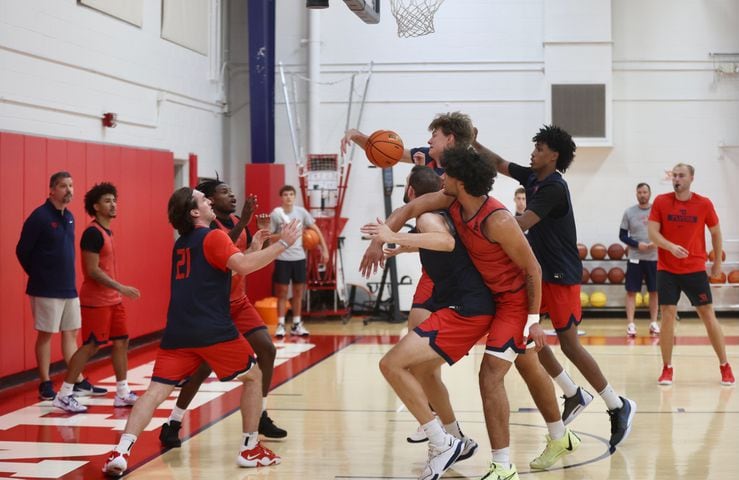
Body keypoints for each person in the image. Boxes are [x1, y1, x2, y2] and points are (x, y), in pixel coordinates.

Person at [361, 148, 581, 480]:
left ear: (460, 181)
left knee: (490, 375)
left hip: (514, 302)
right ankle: (559, 435)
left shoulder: (499, 219)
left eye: (446, 174)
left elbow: (532, 269)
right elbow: (409, 207)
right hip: (484, 299)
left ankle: (502, 465)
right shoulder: (451, 201)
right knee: (525, 366)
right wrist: (384, 243)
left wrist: (533, 321)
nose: (441, 177)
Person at [102, 188, 300, 476]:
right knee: (255, 377)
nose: (209, 200)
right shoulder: (214, 236)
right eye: (203, 199)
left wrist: (255, 247)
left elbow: (226, 271)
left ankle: (120, 452)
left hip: (178, 332)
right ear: (195, 212)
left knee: (155, 392)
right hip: (212, 329)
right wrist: (283, 244)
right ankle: (249, 448)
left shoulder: (182, 243)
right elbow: (242, 266)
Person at [474, 125, 636, 449]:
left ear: (554, 155)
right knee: (527, 335)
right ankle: (573, 392)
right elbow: (500, 163)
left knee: (571, 346)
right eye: (534, 146)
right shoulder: (533, 177)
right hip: (539, 273)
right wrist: (473, 143)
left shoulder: (553, 188)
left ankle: (617, 405)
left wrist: (480, 224)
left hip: (561, 274)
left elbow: (520, 224)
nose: (533, 152)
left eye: (540, 148)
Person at [159, 179, 287, 447]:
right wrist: (244, 224)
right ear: (208, 200)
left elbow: (251, 257)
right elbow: (219, 248)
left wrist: (263, 234)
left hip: (238, 301)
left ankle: (261, 413)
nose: (232, 196)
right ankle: (174, 420)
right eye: (224, 193)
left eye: (231, 192)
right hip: (213, 305)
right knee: (202, 368)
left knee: (267, 349)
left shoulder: (237, 220)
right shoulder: (207, 228)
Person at [16, 171, 106, 401]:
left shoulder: (70, 217)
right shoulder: (39, 217)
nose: (69, 190)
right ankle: (45, 383)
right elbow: (22, 251)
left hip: (68, 288)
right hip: (45, 289)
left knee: (71, 335)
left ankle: (77, 379)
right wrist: (39, 275)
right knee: (46, 335)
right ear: (52, 190)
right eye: (64, 186)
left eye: (71, 185)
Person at [52, 183, 141, 413]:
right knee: (91, 346)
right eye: (107, 201)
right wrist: (120, 287)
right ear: (96, 206)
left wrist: (118, 291)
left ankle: (122, 393)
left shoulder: (108, 231)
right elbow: (91, 271)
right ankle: (64, 394)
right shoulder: (92, 233)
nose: (113, 204)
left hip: (113, 300)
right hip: (96, 300)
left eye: (114, 200)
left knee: (122, 342)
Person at [647, 163, 734, 386]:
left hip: (694, 268)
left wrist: (715, 263)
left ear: (691, 178)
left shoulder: (704, 203)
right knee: (667, 314)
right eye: (674, 175)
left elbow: (716, 233)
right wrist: (670, 246)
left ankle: (725, 365)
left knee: (707, 315)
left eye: (681, 175)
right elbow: (653, 234)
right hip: (667, 269)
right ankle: (667, 368)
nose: (677, 179)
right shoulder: (661, 201)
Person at [270, 185, 329, 338]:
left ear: (294, 197)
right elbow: (269, 236)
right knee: (282, 293)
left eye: (291, 194)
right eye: (285, 194)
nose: (288, 197)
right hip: (282, 258)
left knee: (298, 292)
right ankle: (281, 324)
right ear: (281, 197)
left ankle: (297, 324)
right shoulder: (276, 214)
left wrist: (324, 248)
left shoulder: (301, 212)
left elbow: (315, 230)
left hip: (299, 258)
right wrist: (283, 234)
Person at [340, 111, 474, 174]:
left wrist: (422, 173)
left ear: (449, 139)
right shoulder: (426, 155)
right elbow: (387, 151)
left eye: (434, 136)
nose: (429, 141)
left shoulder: (467, 168)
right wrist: (356, 135)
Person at [620, 182, 660, 337]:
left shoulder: (657, 211)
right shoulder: (629, 212)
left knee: (654, 291)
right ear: (636, 194)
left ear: (649, 194)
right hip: (635, 258)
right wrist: (637, 244)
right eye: (640, 192)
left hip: (654, 258)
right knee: (631, 291)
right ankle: (630, 324)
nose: (642, 194)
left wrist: (657, 242)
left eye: (645, 192)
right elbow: (622, 235)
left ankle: (654, 322)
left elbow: (665, 232)